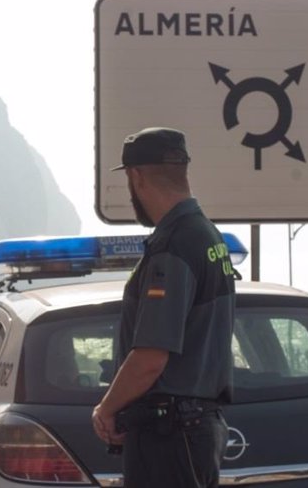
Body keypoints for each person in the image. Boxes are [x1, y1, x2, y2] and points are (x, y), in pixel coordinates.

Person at [91, 127, 236, 487]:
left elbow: (150, 359)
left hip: (170, 433)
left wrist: (105, 409)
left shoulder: (173, 245)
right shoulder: (206, 235)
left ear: (135, 176)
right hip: (195, 425)